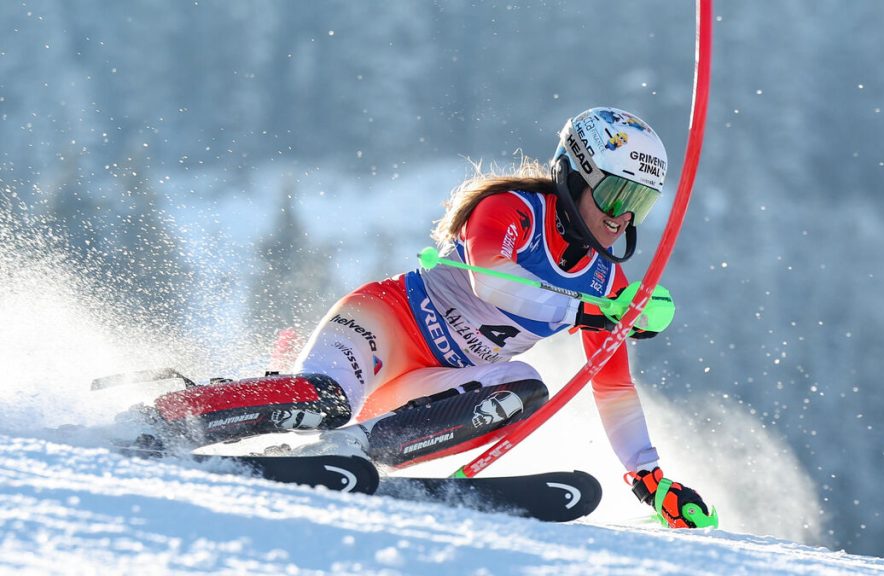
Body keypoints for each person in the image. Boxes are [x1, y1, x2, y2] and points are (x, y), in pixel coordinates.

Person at [151, 107, 711, 528]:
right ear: (575, 177)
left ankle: (353, 450)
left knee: (523, 390)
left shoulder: (606, 283)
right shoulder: (512, 210)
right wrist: (589, 311)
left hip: (436, 383)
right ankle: (164, 416)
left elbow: (612, 387)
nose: (621, 218)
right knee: (322, 400)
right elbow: (491, 280)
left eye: (638, 203)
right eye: (614, 195)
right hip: (385, 328)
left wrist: (648, 477)